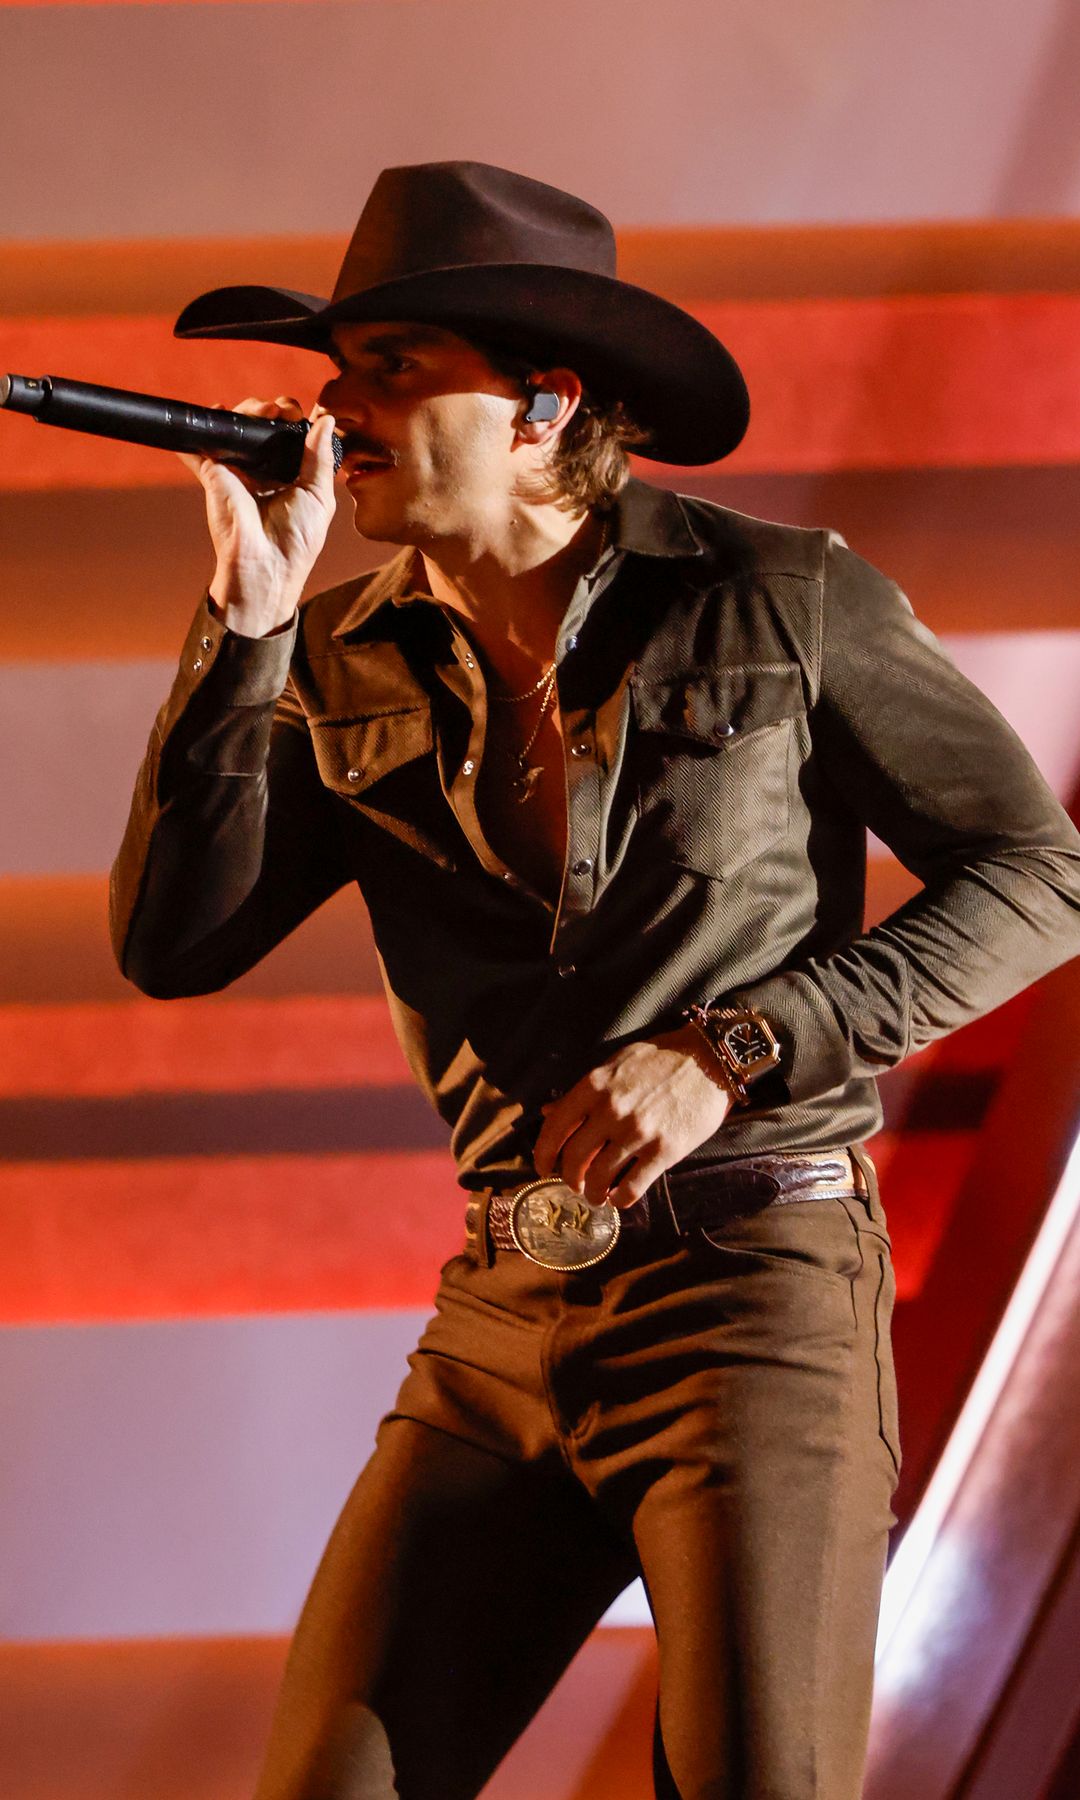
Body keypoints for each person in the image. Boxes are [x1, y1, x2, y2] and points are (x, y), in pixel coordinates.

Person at [110, 162, 1080, 1800]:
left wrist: (736, 1044)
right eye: (340, 370)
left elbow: (1042, 876)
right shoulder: (331, 657)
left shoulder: (779, 598)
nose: (337, 409)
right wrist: (247, 629)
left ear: (546, 405)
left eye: (392, 369)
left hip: (755, 1289)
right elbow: (175, 945)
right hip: (504, 1316)